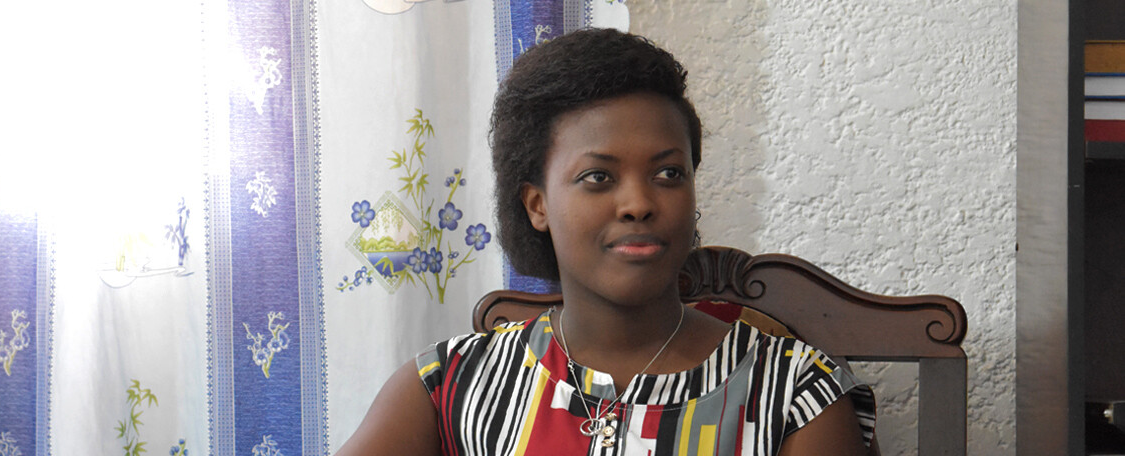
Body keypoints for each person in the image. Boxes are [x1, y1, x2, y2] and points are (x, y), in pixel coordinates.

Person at [337, 28, 874, 456]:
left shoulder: (796, 394)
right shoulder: (448, 386)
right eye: (599, 177)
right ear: (537, 205)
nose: (639, 203)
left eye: (668, 174)